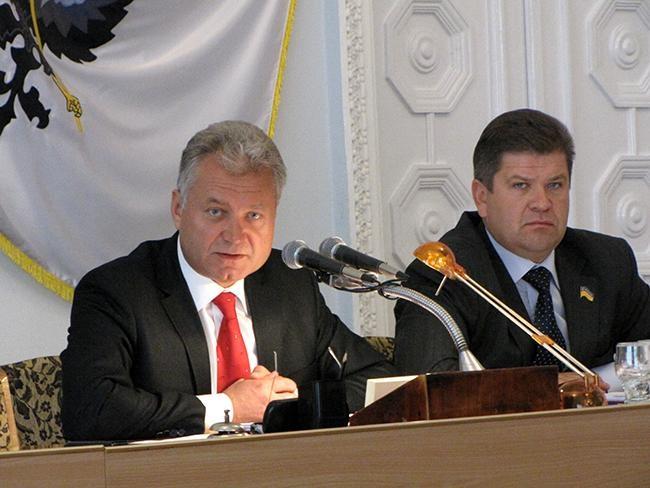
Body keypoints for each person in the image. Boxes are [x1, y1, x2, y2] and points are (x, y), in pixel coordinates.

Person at [62, 120, 394, 441]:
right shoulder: (117, 291)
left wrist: (292, 402)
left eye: (254, 215)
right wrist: (229, 407)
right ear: (178, 208)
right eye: (216, 212)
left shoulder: (291, 284)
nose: (235, 236)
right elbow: (91, 410)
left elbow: (378, 380)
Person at [394, 109, 650, 389]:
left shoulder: (607, 260)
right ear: (482, 197)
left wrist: (598, 381)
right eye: (521, 185)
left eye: (555, 185)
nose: (542, 203)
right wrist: (552, 389)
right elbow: (429, 388)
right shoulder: (442, 274)